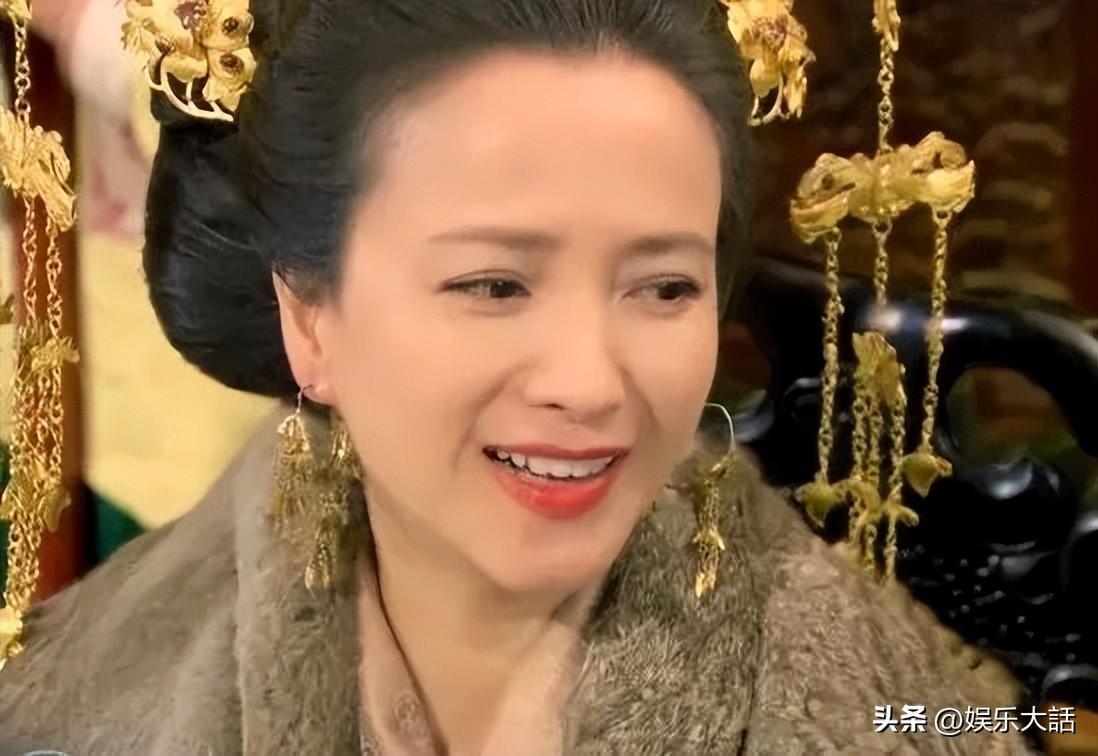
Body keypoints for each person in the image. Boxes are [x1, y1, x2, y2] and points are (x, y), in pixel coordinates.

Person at [1, 0, 1029, 753]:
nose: (589, 384)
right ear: (309, 314)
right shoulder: (82, 701)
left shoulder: (905, 716)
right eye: (493, 285)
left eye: (664, 288)